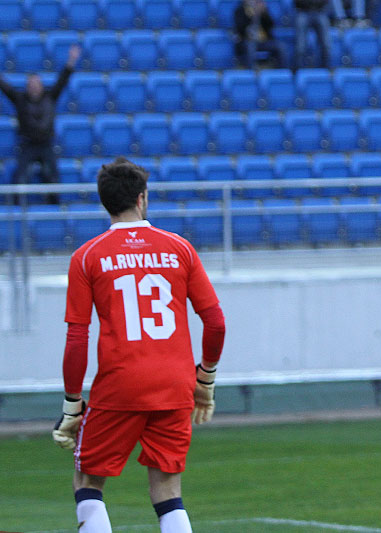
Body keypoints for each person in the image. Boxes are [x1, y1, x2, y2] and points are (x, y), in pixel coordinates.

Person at [52, 158, 226, 532]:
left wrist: (72, 405)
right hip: (176, 384)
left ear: (105, 203)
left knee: (88, 482)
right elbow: (215, 322)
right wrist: (205, 381)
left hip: (120, 384)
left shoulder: (87, 256)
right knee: (167, 489)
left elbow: (77, 337)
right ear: (142, 199)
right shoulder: (179, 248)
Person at [0, 44, 81, 205]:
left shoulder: (50, 97)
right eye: (31, 84)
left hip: (46, 144)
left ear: (41, 86)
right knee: (20, 177)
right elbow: (4, 87)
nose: (34, 87)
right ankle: (17, 208)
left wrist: (71, 61)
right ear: (27, 87)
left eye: (37, 84)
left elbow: (62, 80)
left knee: (52, 177)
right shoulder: (20, 99)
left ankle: (54, 208)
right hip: (27, 145)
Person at [233, 0, 285, 67]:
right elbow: (240, 28)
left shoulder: (263, 11)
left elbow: (271, 25)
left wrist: (264, 14)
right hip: (247, 41)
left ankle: (282, 72)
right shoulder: (239, 11)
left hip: (263, 41)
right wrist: (252, 16)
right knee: (250, 47)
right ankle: (252, 73)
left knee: (280, 46)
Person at [294, 0, 332, 68]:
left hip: (319, 11)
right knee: (300, 45)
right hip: (303, 11)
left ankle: (326, 69)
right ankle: (299, 69)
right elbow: (296, 2)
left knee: (326, 44)